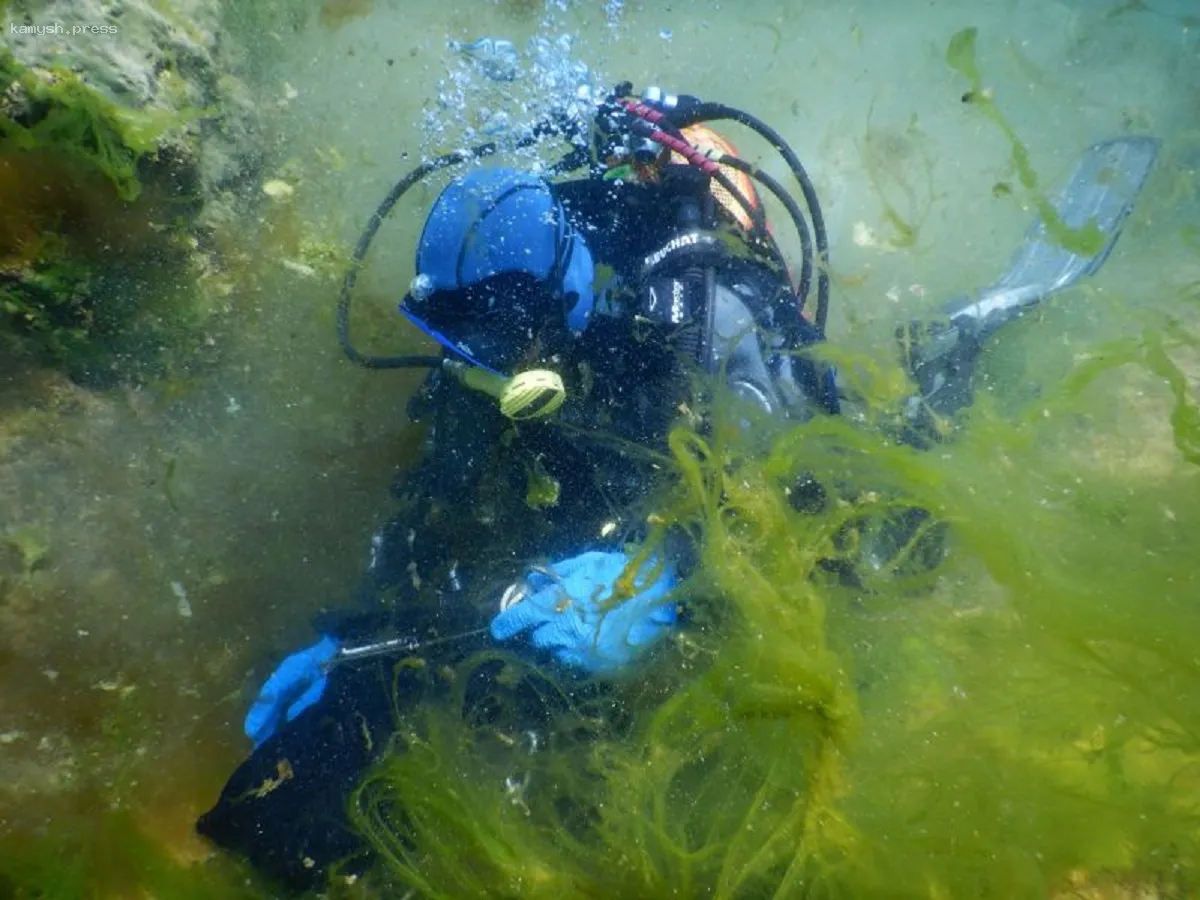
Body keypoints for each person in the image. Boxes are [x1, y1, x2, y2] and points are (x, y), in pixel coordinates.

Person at [196, 83, 1156, 891]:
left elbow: (801, 503)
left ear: (565, 308)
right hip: (613, 430)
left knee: (891, 543)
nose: (478, 366)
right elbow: (435, 501)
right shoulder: (489, 345)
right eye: (456, 341)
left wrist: (670, 577)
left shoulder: (701, 329)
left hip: (767, 443)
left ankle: (957, 345)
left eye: (499, 341)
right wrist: (356, 630)